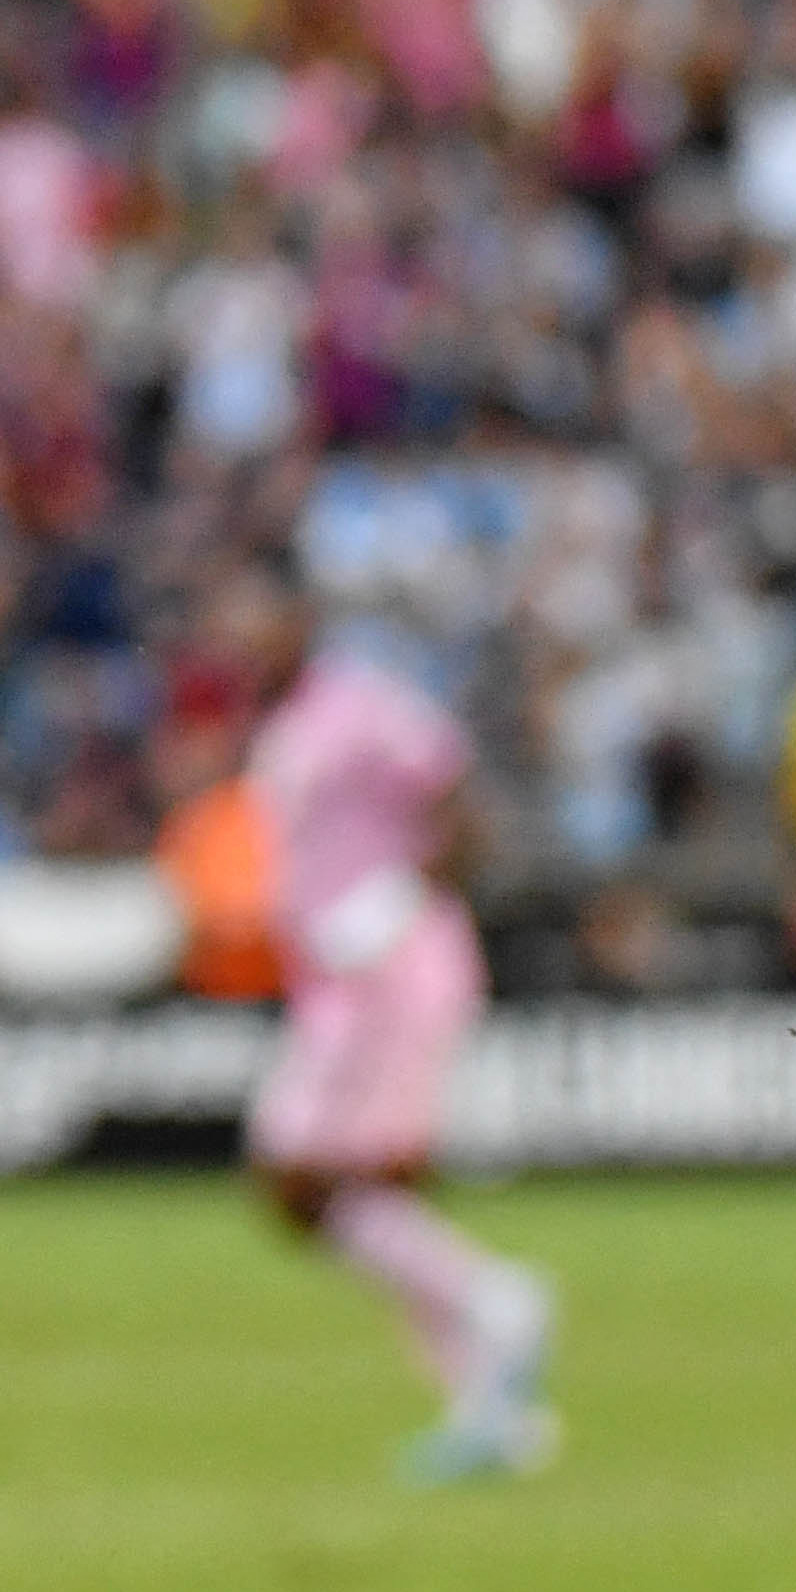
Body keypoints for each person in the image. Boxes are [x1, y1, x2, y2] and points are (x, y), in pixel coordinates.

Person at [219, 578, 563, 1481]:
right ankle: (490, 1409)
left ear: (298, 619)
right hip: (337, 982)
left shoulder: (363, 706)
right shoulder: (284, 729)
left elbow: (458, 797)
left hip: (387, 977)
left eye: (256, 617)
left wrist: (402, 899)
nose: (241, 640)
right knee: (369, 1192)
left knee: (293, 1171)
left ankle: (498, 1301)